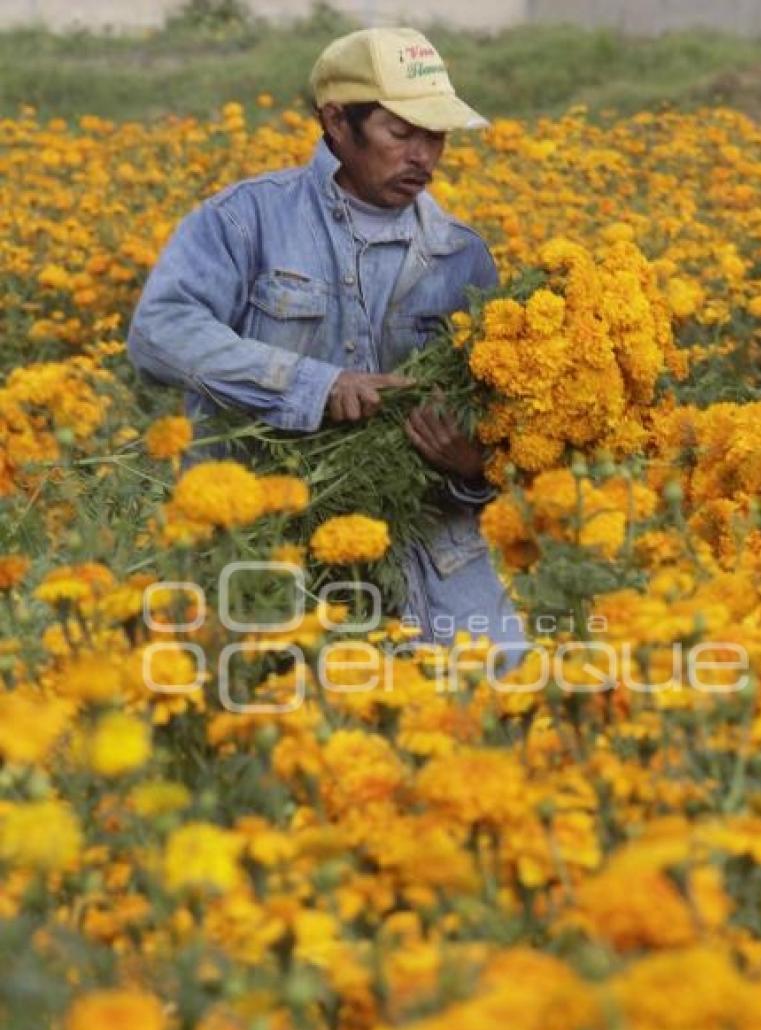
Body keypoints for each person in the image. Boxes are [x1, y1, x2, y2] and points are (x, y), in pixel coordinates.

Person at [128, 26, 529, 668]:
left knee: (507, 695)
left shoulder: (462, 257)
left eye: (437, 136)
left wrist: (471, 461)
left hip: (427, 550)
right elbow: (159, 331)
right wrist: (314, 384)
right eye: (402, 134)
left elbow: (499, 427)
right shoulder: (245, 220)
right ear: (337, 122)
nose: (424, 156)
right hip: (266, 540)